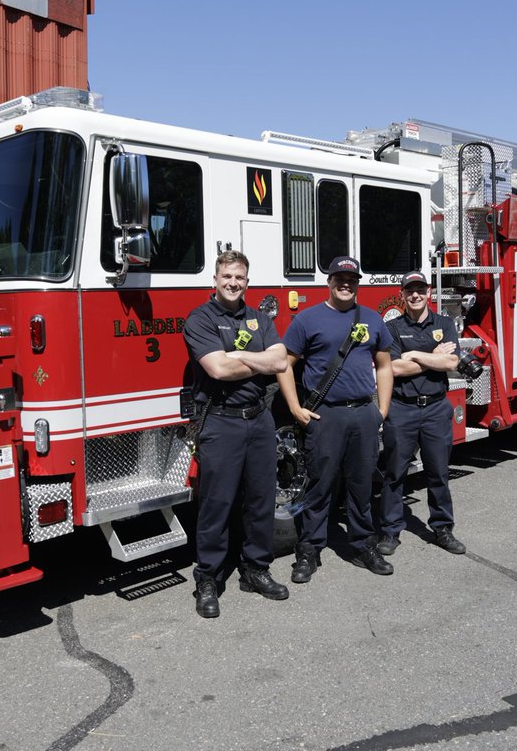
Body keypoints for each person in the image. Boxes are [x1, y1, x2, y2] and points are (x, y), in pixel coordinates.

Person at [182, 250, 290, 619]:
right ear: (215, 280)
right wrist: (253, 360)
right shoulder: (200, 318)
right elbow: (217, 370)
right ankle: (208, 578)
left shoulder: (259, 317)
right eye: (227, 276)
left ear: (247, 281)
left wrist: (237, 356)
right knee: (218, 503)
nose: (233, 283)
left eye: (240, 277)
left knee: (261, 500)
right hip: (221, 422)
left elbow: (280, 361)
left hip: (259, 419)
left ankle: (255, 569)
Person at [277, 256, 394, 582]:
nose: (345, 284)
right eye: (339, 278)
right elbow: (284, 364)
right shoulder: (307, 320)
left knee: (361, 485)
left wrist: (381, 410)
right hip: (324, 416)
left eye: (351, 279)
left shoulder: (372, 319)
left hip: (363, 415)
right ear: (328, 281)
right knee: (319, 487)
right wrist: (295, 409)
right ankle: (308, 552)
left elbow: (385, 366)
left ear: (358, 283)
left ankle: (362, 545)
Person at [376, 271, 467, 557]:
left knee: (438, 472)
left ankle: (442, 528)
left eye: (420, 289)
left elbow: (452, 361)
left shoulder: (444, 323)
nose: (415, 295)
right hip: (401, 409)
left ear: (428, 292)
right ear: (402, 295)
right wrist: (432, 355)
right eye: (409, 290)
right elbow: (394, 368)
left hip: (436, 408)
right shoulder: (391, 328)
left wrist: (413, 354)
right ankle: (390, 531)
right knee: (394, 473)